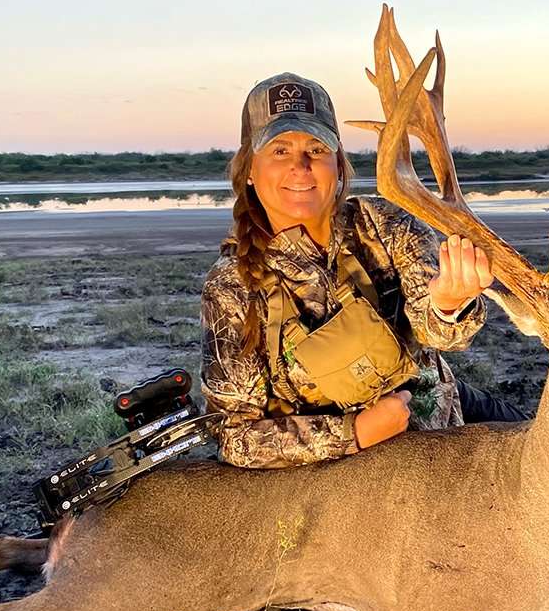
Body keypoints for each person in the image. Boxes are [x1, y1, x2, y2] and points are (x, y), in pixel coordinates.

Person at [200, 72, 526, 469]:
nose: (301, 166)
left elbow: (440, 335)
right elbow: (235, 436)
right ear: (250, 169)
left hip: (443, 420)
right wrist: (353, 433)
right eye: (280, 151)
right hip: (345, 478)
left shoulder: (382, 222)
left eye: (317, 149)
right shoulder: (231, 285)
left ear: (338, 163)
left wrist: (448, 303)